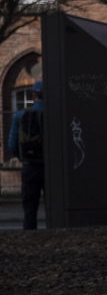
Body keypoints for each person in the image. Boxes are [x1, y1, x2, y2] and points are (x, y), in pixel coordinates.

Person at [7, 81, 44, 230]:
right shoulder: (56, 114)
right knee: (55, 208)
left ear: (34, 95)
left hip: (29, 167)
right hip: (51, 168)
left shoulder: (20, 115)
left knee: (29, 210)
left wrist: (23, 158)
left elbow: (12, 145)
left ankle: (30, 241)